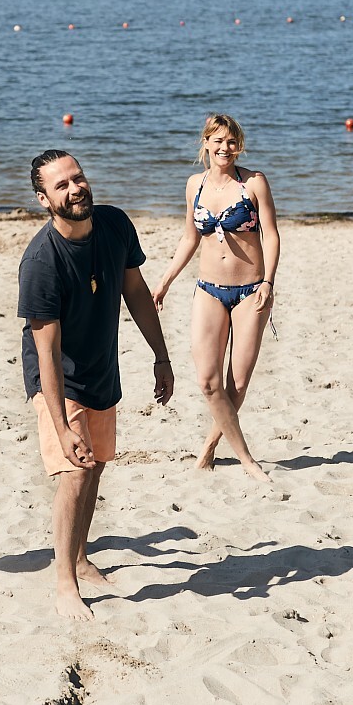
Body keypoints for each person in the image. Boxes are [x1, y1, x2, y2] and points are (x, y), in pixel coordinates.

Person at [18, 150, 173, 621]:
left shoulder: (115, 224)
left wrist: (161, 356)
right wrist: (62, 426)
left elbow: (137, 293)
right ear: (43, 199)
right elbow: (47, 351)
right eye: (61, 185)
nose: (75, 189)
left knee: (97, 464)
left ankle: (81, 558)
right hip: (57, 377)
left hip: (101, 367)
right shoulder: (41, 261)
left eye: (78, 178)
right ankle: (65, 581)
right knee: (76, 471)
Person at [150, 114, 280, 483]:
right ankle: (246, 458)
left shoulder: (254, 183)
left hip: (251, 291)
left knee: (236, 384)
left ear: (240, 146)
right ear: (206, 143)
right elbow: (189, 238)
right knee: (208, 382)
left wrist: (268, 282)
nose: (225, 148)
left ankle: (210, 447)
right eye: (218, 141)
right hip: (208, 289)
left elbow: (271, 235)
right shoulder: (195, 185)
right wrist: (165, 281)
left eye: (232, 142)